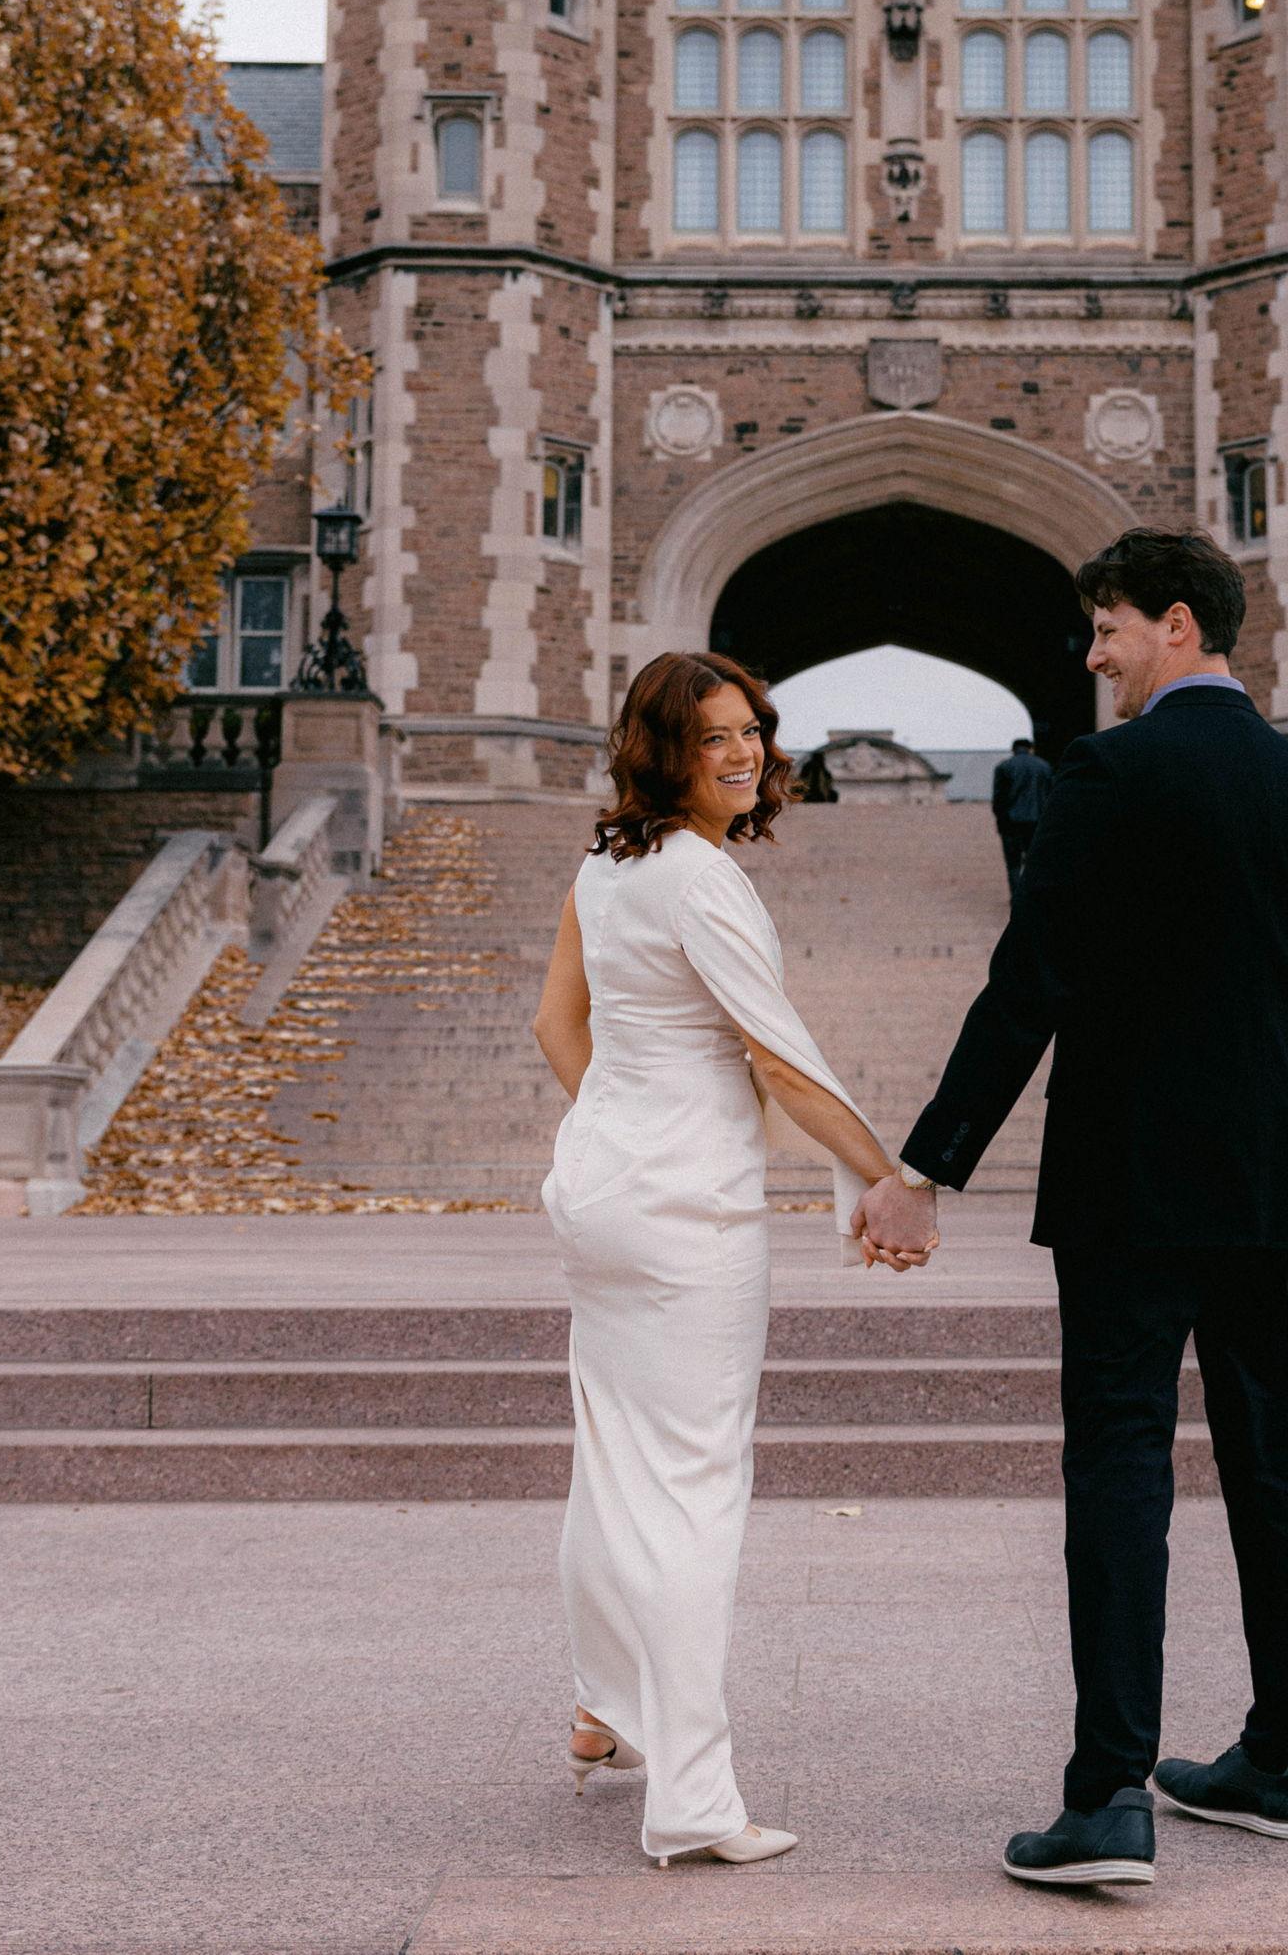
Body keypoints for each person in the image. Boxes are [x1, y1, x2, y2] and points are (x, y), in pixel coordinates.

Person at [855, 527, 1288, 1890]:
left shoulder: (1111, 772)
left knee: (1122, 1461)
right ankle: (1284, 1758)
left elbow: (1032, 979)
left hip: (1130, 1181)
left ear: (1178, 623)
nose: (1093, 657)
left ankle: (1107, 1797)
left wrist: (927, 1166)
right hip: (1268, 1181)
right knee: (1267, 1454)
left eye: (1108, 629)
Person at [531, 650, 935, 1870]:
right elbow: (781, 1063)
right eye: (713, 737)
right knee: (695, 1490)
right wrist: (889, 1182)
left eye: (749, 729)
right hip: (685, 1213)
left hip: (602, 1193)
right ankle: (695, 1801)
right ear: (665, 752)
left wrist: (624, 1123)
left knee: (613, 1462)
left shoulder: (607, 864)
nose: (744, 752)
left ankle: (603, 1707)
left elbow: (557, 1025)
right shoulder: (700, 879)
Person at [990, 736, 1053, 904]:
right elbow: (1050, 796)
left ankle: (1017, 898)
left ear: (1013, 750)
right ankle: (1034, 895)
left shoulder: (1004, 767)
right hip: (1037, 821)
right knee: (1035, 861)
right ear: (1030, 749)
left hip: (1011, 822)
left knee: (1013, 863)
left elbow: (998, 799)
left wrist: (1001, 820)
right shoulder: (1044, 766)